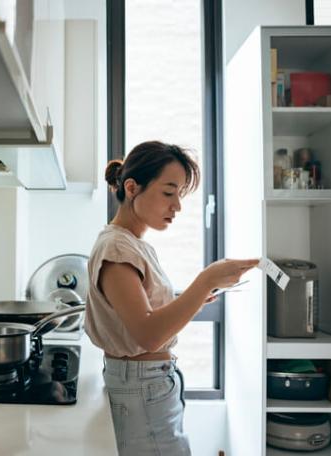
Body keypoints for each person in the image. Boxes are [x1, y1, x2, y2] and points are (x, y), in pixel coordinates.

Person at [85, 141, 258, 455]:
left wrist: (194, 296)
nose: (177, 206)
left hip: (146, 385)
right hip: (141, 387)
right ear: (132, 187)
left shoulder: (131, 244)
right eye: (168, 192)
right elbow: (148, 335)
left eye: (179, 195)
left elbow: (145, 314)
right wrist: (205, 281)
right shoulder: (118, 248)